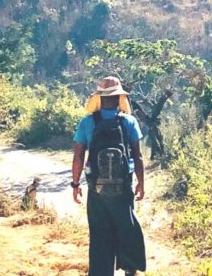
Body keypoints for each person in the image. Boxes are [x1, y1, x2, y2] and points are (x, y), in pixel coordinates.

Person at [72, 76, 147, 276]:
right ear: (119, 98)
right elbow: (137, 156)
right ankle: (130, 268)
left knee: (99, 233)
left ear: (99, 98)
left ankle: (100, 272)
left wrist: (75, 184)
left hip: (96, 189)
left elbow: (78, 156)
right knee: (126, 227)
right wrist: (140, 183)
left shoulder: (87, 122)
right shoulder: (129, 121)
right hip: (123, 188)